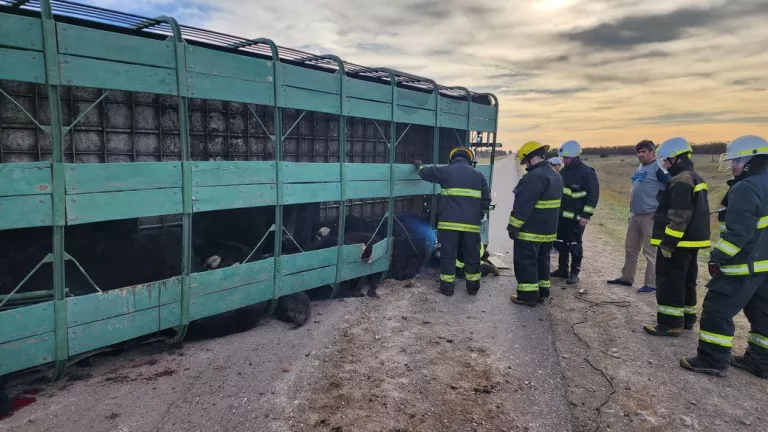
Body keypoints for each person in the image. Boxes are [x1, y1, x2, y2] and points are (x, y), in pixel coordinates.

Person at [680, 135, 768, 378]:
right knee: (763, 313)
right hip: (764, 267)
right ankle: (761, 361)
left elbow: (738, 234)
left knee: (717, 309)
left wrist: (717, 257)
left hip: (742, 265)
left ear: (753, 160)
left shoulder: (746, 187)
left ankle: (712, 359)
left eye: (737, 160)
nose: (733, 166)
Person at [642, 137, 711, 337]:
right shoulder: (694, 176)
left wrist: (668, 243)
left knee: (670, 281)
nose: (664, 163)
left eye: (666, 159)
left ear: (676, 158)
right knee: (687, 280)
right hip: (691, 241)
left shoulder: (681, 179)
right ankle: (687, 319)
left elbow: (680, 216)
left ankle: (669, 323)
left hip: (677, 242)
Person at [414, 147, 491, 296]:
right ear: (470, 160)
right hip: (471, 226)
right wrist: (478, 215)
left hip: (449, 225)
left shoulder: (446, 171)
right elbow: (486, 201)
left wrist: (419, 165)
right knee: (472, 255)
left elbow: (425, 173)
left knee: (448, 255)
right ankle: (473, 287)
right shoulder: (479, 176)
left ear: (452, 159)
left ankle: (447, 288)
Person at [607, 140, 671, 293]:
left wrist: (662, 210)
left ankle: (651, 284)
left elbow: (671, 187)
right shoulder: (640, 167)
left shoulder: (659, 168)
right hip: (635, 215)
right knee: (630, 248)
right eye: (638, 152)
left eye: (644, 151)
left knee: (650, 252)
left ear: (652, 152)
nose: (640, 155)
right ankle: (627, 278)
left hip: (651, 216)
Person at [508, 141, 563, 307]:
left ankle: (527, 296)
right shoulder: (555, 175)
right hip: (549, 232)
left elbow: (522, 207)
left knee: (526, 262)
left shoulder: (533, 178)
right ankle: (542, 292)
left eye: (525, 162)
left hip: (530, 232)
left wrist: (513, 227)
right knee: (542, 261)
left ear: (531, 158)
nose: (525, 166)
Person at [551, 140, 600, 284]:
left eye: (565, 158)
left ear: (574, 157)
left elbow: (593, 195)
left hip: (577, 217)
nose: (563, 161)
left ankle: (574, 272)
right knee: (561, 242)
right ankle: (562, 269)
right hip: (562, 216)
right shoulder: (564, 171)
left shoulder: (587, 172)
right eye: (563, 158)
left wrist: (586, 216)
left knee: (575, 245)